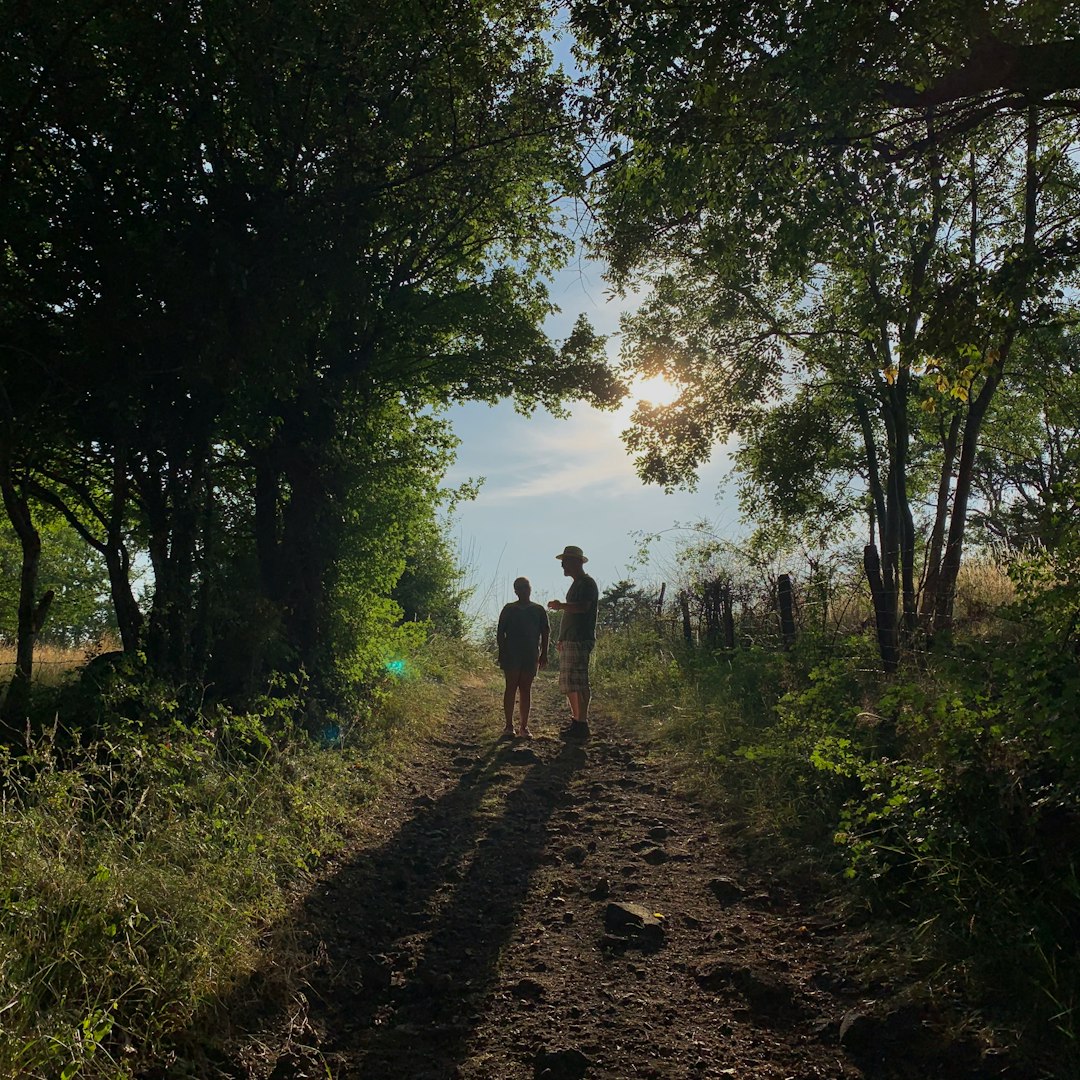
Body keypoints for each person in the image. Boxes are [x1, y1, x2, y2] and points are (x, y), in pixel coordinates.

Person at [547, 545, 598, 738]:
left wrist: (561, 606)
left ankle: (582, 724)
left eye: (565, 562)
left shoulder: (587, 583)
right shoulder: (577, 584)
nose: (562, 566)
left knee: (579, 681)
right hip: (571, 639)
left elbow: (583, 608)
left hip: (580, 639)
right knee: (569, 683)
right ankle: (577, 721)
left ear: (576, 562)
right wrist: (562, 637)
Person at [496, 577, 549, 738]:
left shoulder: (538, 609)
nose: (523, 590)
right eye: (519, 587)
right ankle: (509, 726)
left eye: (525, 587)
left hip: (530, 654)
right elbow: (500, 632)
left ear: (530, 588)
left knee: (525, 689)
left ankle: (524, 727)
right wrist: (502, 650)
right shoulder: (509, 609)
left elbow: (545, 632)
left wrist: (544, 653)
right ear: (515, 591)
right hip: (511, 653)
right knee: (510, 687)